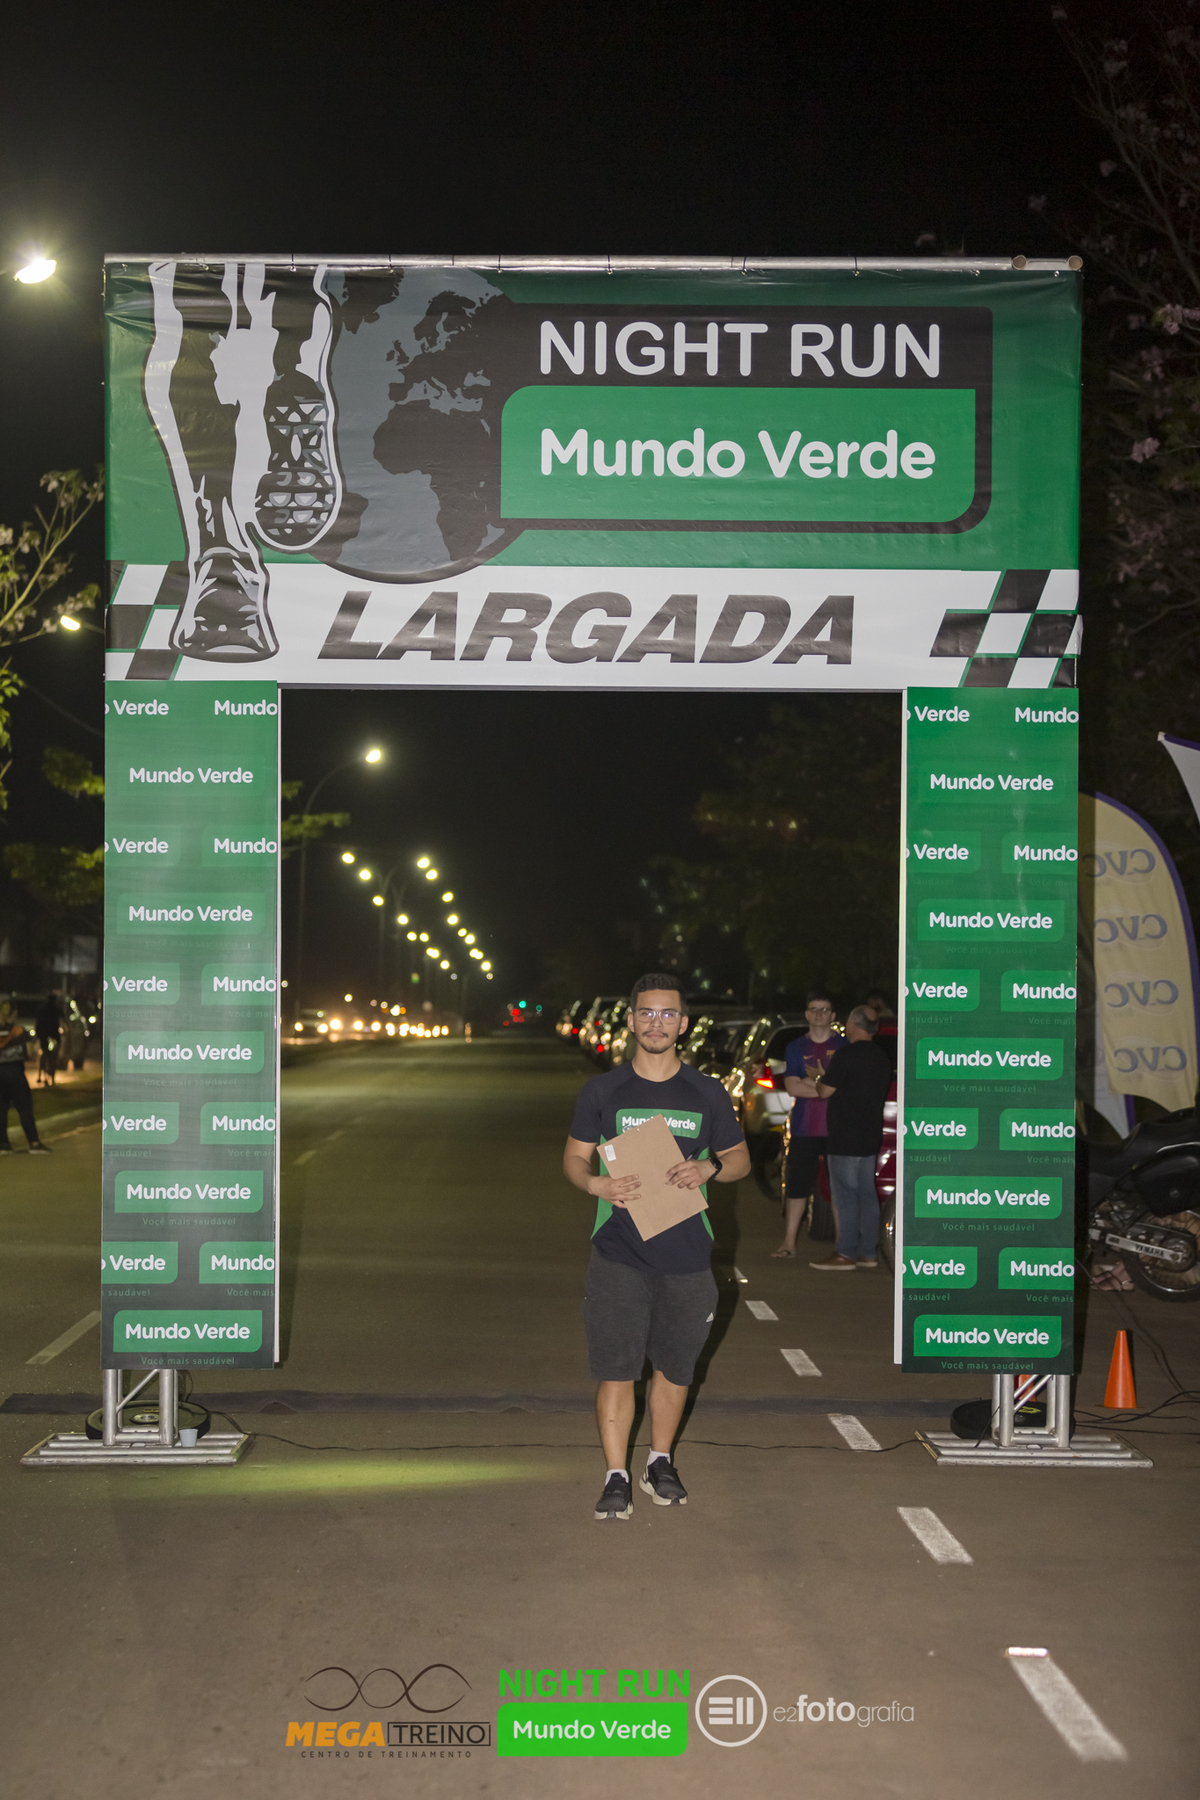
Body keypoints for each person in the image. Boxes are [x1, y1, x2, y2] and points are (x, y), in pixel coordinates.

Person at [563, 973, 749, 1521]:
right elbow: (574, 1157)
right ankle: (615, 1475)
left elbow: (739, 1160)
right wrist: (594, 1183)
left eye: (668, 1014)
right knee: (617, 1369)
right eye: (646, 1012)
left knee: (676, 1368)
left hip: (687, 1255)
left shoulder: (707, 1092)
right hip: (618, 1251)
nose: (656, 1023)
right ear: (630, 1020)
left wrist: (709, 1167)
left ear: (683, 1024)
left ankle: (659, 1462)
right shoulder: (604, 1091)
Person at [793, 1006, 890, 1271]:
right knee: (867, 1195)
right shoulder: (881, 1056)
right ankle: (868, 1252)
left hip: (845, 1135)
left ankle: (845, 1252)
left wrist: (819, 1077)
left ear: (854, 1024)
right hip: (870, 1135)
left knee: (845, 1196)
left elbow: (824, 1091)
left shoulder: (846, 1054)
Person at [772, 990, 842, 1257]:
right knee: (797, 1187)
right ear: (806, 1014)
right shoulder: (795, 1048)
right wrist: (827, 1087)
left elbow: (844, 1088)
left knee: (839, 1189)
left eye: (824, 1010)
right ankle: (788, 1243)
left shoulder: (844, 1047)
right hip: (804, 1128)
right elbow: (792, 1087)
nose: (819, 1014)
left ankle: (843, 1248)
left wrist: (810, 1083)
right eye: (814, 1009)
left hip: (837, 1128)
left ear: (833, 1015)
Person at [0, 1000, 50, 1154]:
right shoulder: (19, 1031)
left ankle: (3, 1144)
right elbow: (29, 1053)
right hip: (16, 1075)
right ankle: (34, 1142)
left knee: (1, 1110)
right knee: (25, 1108)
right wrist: (35, 1048)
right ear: (14, 1013)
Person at [34, 991, 65, 1089]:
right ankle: (52, 1077)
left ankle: (40, 1075)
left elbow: (38, 1022)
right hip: (54, 1035)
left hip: (44, 1035)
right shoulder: (57, 1008)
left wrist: (38, 1034)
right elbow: (63, 1020)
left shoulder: (42, 1009)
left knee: (44, 1054)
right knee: (53, 1056)